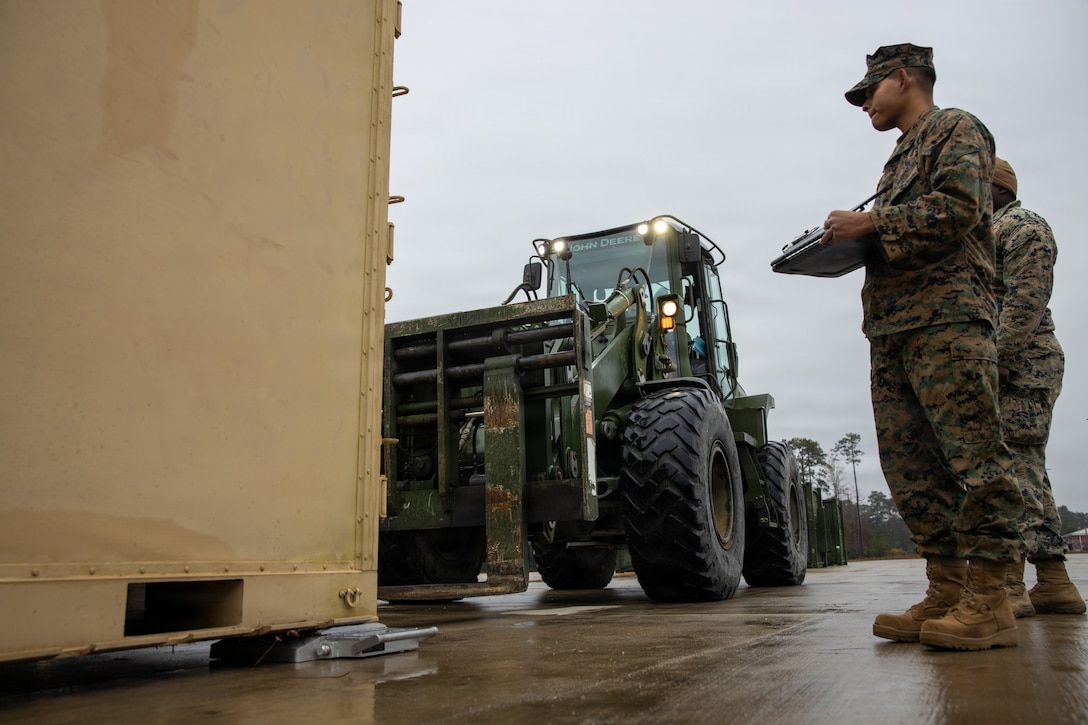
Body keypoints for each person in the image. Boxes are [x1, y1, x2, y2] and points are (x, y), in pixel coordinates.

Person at [822, 44, 1024, 650]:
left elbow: (962, 208)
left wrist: (873, 225)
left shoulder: (956, 129)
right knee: (910, 469)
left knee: (974, 455)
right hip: (893, 332)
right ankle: (945, 588)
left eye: (869, 93)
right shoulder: (897, 160)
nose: (864, 106)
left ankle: (989, 599)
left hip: (948, 322)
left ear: (902, 78)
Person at [991, 157, 1085, 617]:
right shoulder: (991, 230)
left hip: (1022, 364)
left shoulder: (1021, 226)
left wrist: (1002, 355)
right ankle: (1052, 580)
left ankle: (1010, 583)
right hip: (1015, 362)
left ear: (997, 189)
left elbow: (1027, 296)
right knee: (1025, 468)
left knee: (1012, 468)